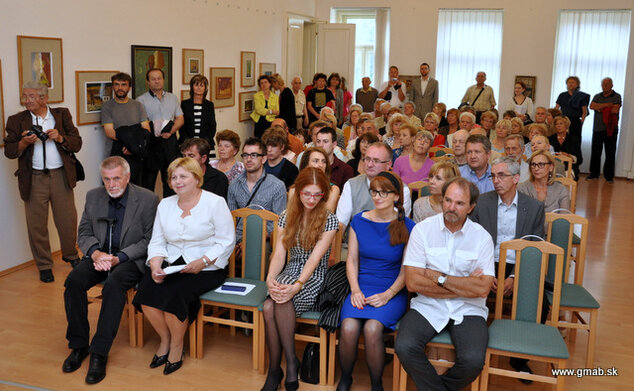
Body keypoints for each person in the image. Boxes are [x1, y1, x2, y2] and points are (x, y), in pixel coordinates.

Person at [133, 157, 235, 375]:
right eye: (174, 177)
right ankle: (165, 340)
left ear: (197, 178)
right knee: (145, 290)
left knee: (174, 292)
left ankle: (177, 346)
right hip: (173, 263)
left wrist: (204, 261)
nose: (177, 181)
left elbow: (226, 241)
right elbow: (157, 241)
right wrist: (155, 265)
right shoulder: (165, 204)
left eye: (183, 176)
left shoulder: (215, 202)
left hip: (208, 266)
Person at [62, 157, 158, 384]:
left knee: (114, 285)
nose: (112, 184)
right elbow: (84, 232)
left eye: (116, 178)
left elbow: (150, 240)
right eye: (107, 179)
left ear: (127, 177)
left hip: (129, 259)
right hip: (100, 256)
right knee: (73, 281)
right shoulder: (93, 196)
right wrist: (95, 253)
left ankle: (99, 352)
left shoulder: (148, 199)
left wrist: (120, 258)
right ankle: (78, 345)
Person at [395, 177, 494, 391]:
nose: (451, 207)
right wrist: (465, 285)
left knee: (473, 360)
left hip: (470, 309)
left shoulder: (482, 238)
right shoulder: (422, 231)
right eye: (447, 200)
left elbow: (483, 288)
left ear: (471, 207)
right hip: (427, 306)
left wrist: (438, 277)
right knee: (404, 346)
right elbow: (412, 282)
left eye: (459, 203)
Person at [260, 168, 339, 391]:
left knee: (278, 302)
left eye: (317, 194)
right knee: (268, 306)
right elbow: (279, 253)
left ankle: (287, 367)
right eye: (307, 194)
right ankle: (279, 367)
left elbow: (315, 260)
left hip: (315, 275)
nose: (312, 199)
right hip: (291, 269)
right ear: (297, 192)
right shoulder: (287, 215)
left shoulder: (329, 219)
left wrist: (297, 286)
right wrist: (270, 278)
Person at [337, 171, 416, 391]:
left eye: (384, 192)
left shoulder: (408, 226)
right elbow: (351, 260)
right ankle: (345, 378)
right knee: (349, 327)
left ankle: (376, 384)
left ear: (397, 196)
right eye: (374, 191)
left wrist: (388, 294)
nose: (377, 196)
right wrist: (354, 289)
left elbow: (406, 270)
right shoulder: (359, 220)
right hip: (361, 285)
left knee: (372, 328)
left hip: (393, 290)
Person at [469, 156, 545, 380]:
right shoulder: (482, 202)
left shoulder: (533, 207)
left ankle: (519, 358)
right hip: (486, 261)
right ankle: (474, 352)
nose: (496, 180)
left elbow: (535, 246)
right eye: (493, 176)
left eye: (501, 175)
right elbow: (470, 239)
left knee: (540, 302)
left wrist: (514, 276)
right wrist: (486, 271)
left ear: (516, 178)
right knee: (466, 291)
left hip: (518, 262)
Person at [4, 80, 82, 282]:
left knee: (67, 221)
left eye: (31, 96)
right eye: (24, 96)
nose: (26, 100)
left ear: (44, 98)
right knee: (36, 225)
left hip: (61, 176)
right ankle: (44, 265)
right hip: (34, 179)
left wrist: (60, 137)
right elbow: (10, 152)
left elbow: (77, 143)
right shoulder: (16, 120)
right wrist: (23, 142)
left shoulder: (61, 115)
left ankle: (71, 255)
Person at [337, 142, 411, 227]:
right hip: (355, 237)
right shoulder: (351, 184)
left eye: (376, 161)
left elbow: (397, 224)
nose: (369, 164)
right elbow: (341, 222)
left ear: (388, 164)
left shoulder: (401, 189)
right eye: (367, 159)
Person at [227, 137, 287, 240]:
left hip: (263, 239)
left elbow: (279, 222)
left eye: (254, 155)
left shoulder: (277, 186)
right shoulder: (234, 185)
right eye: (245, 155)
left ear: (263, 159)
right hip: (237, 239)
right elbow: (231, 220)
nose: (249, 159)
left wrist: (250, 240)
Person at [138, 68, 184, 198]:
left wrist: (171, 131)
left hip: (170, 143)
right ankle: (148, 214)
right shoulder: (141, 100)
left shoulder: (172, 98)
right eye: (153, 79)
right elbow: (141, 123)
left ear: (163, 80)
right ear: (148, 82)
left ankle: (170, 211)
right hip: (151, 145)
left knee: (170, 180)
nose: (156, 81)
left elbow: (180, 118)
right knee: (148, 182)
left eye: (159, 78)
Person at [100, 72, 150, 185]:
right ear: (113, 86)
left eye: (123, 84)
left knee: (135, 192)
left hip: (135, 156)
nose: (120, 88)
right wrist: (131, 144)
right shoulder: (107, 107)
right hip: (114, 155)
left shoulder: (138, 105)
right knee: (113, 191)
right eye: (117, 84)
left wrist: (132, 149)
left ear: (129, 87)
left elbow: (146, 130)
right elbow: (110, 132)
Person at [588, 77, 622, 183]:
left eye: (607, 84)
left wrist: (600, 108)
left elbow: (615, 109)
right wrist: (607, 105)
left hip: (611, 129)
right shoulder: (597, 96)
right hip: (597, 128)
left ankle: (609, 176)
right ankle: (594, 174)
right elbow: (592, 106)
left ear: (612, 85)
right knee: (595, 152)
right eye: (603, 84)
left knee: (610, 153)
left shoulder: (617, 96)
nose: (605, 86)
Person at [291, 146, 341, 212]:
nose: (321, 165)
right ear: (306, 165)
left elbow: (326, 218)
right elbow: (291, 216)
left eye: (324, 161)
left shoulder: (332, 190)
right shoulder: (294, 189)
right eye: (316, 161)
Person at [180, 74, 217, 151]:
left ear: (205, 88)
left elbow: (212, 126)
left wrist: (205, 142)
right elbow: (182, 126)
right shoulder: (185, 104)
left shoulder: (209, 105)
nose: (199, 87)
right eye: (196, 85)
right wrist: (188, 142)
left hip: (205, 144)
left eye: (202, 85)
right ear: (192, 87)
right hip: (187, 144)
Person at [555, 76, 590, 142]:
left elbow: (584, 111)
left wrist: (582, 121)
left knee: (575, 140)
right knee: (563, 140)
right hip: (564, 120)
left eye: (573, 82)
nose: (570, 84)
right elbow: (556, 108)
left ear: (577, 84)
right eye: (569, 82)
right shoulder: (562, 95)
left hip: (575, 121)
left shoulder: (582, 96)